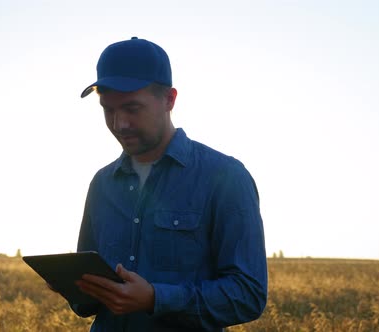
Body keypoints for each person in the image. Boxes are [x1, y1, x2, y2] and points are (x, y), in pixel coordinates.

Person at [70, 36, 267, 331]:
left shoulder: (226, 176)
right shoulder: (101, 184)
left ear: (170, 100)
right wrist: (75, 287)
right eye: (108, 110)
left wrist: (155, 299)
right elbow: (86, 306)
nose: (119, 123)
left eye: (132, 108)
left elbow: (248, 295)